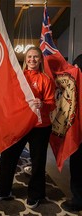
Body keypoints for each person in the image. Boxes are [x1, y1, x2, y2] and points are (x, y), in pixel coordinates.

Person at [0, 47, 56, 209]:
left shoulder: (45, 79)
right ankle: (4, 190)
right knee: (8, 155)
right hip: (20, 123)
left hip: (40, 126)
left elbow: (52, 103)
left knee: (38, 161)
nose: (32, 60)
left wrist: (43, 104)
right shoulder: (18, 77)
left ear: (40, 60)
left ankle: (36, 195)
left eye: (35, 57)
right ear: (25, 59)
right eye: (29, 57)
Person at [61, 54, 82, 212]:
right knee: (77, 162)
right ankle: (78, 197)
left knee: (78, 163)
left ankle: (78, 199)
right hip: (78, 126)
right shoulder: (80, 59)